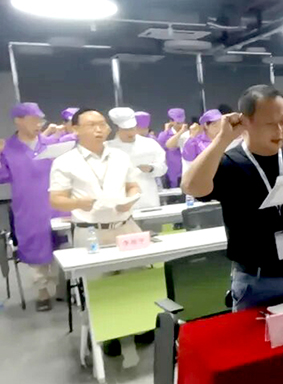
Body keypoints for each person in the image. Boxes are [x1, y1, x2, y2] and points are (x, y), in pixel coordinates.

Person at [183, 85, 283, 311]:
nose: (279, 131)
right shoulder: (229, 164)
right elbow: (191, 187)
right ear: (245, 122)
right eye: (269, 124)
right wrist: (222, 140)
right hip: (256, 282)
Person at [0, 103, 65, 311]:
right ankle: (42, 292)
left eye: (40, 120)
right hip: (29, 207)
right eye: (33, 120)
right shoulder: (7, 149)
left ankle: (63, 287)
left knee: (62, 245)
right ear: (18, 121)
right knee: (36, 248)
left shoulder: (52, 145)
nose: (39, 125)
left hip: (57, 204)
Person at [49, 109, 142, 248]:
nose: (99, 130)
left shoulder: (121, 156)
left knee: (139, 262)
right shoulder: (64, 162)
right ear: (76, 129)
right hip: (90, 232)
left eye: (102, 125)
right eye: (91, 125)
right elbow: (56, 199)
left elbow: (133, 186)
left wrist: (129, 201)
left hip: (126, 227)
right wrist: (77, 203)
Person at [105, 108, 168, 209]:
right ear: (117, 129)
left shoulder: (150, 144)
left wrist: (151, 168)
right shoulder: (108, 148)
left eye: (133, 128)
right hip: (121, 202)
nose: (131, 132)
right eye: (126, 129)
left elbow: (163, 167)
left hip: (149, 199)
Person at [157, 108, 187, 188]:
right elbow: (167, 146)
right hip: (172, 174)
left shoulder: (189, 133)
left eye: (182, 122)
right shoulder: (165, 135)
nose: (181, 125)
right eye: (178, 123)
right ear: (171, 122)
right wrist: (180, 132)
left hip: (186, 172)